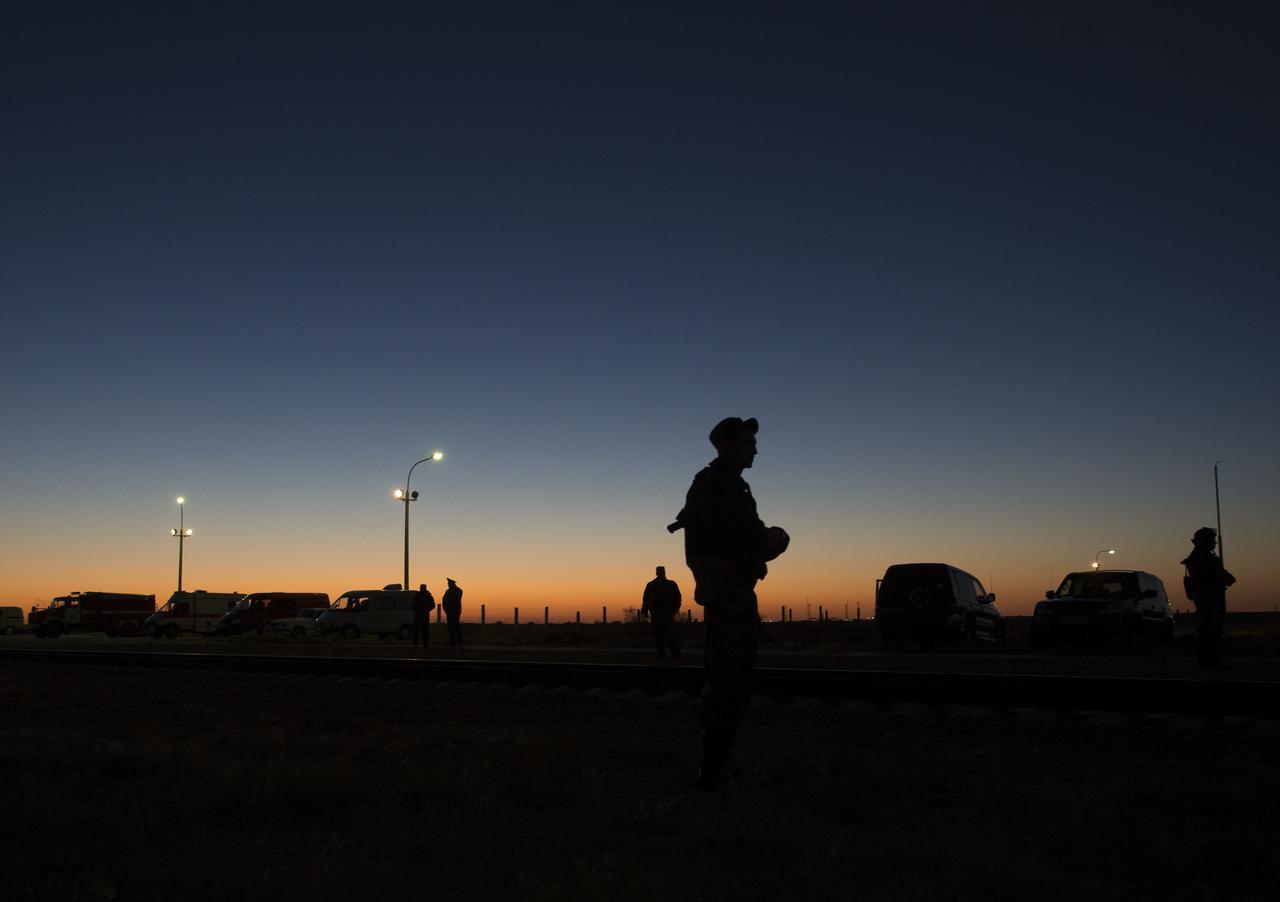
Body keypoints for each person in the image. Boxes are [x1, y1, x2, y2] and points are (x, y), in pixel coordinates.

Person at [670, 416, 790, 789]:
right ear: (726, 446)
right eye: (747, 443)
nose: (754, 449)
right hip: (729, 593)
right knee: (727, 680)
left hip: (730, 591)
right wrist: (774, 540)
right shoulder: (720, 486)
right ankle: (713, 775)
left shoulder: (722, 485)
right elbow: (737, 539)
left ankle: (717, 769)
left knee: (730, 678)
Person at [1181, 526, 1236, 670]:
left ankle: (1210, 660)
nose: (1215, 543)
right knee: (1208, 629)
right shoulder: (1200, 557)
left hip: (1211, 596)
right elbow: (1209, 575)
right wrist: (1222, 577)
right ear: (1204, 541)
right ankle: (1207, 661)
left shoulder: (1206, 556)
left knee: (1213, 629)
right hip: (1207, 597)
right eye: (1212, 540)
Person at [641, 565, 683, 660]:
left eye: (661, 572)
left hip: (666, 615)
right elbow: (646, 599)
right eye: (660, 572)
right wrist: (645, 611)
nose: (660, 574)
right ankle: (664, 654)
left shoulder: (670, 584)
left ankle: (674, 654)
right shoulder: (652, 585)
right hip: (657, 615)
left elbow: (678, 598)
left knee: (669, 636)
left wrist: (674, 610)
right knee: (659, 636)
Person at [441, 578, 464, 648]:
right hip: (453, 611)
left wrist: (446, 610)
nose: (448, 585)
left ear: (452, 584)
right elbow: (444, 601)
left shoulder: (454, 591)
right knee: (453, 627)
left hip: (453, 611)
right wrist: (446, 610)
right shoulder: (457, 591)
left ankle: (455, 642)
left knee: (453, 627)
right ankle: (457, 642)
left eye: (449, 584)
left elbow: (445, 601)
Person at [411, 583, 435, 647]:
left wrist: (427, 610)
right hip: (419, 615)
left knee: (423, 630)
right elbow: (413, 604)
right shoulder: (419, 595)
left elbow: (432, 605)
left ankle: (424, 643)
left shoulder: (427, 596)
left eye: (421, 588)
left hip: (423, 615)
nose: (421, 588)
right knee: (417, 630)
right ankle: (418, 643)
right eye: (420, 588)